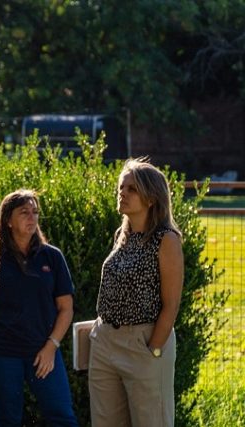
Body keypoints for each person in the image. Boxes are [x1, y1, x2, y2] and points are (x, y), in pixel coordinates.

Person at [88, 158, 184, 427]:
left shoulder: (166, 239)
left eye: (132, 189)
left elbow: (171, 304)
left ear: (151, 198)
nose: (123, 193)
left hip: (143, 342)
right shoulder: (122, 235)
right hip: (105, 343)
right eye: (121, 187)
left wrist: (154, 350)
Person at [0, 190, 79, 427]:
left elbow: (66, 308)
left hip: (43, 351)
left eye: (35, 212)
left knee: (63, 417)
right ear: (8, 220)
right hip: (1, 352)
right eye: (24, 212)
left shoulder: (52, 256)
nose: (32, 218)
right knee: (7, 420)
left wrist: (51, 347)